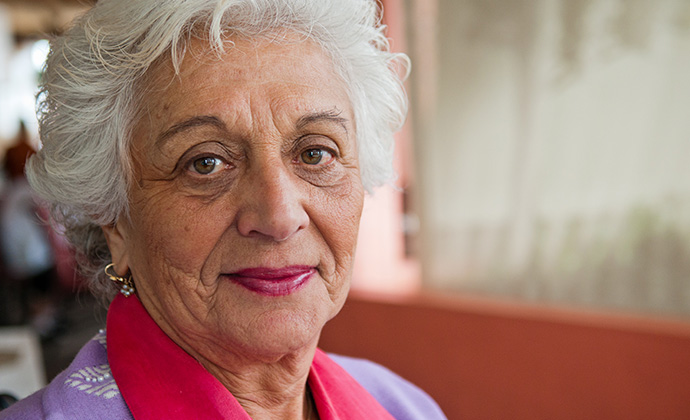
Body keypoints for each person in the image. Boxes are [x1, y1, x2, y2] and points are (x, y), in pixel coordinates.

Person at [0, 0, 446, 418]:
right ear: (114, 219)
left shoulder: (404, 406)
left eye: (315, 154)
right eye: (206, 163)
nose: (279, 217)